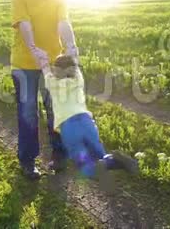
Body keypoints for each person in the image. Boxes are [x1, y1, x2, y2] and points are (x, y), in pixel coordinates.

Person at [10, 0, 79, 179]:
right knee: (28, 111)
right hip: (25, 64)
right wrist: (32, 47)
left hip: (52, 65)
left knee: (56, 109)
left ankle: (59, 155)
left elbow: (63, 23)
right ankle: (28, 161)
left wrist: (70, 45)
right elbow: (24, 24)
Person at [42, 54, 139, 190]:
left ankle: (97, 171)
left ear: (56, 71)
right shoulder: (79, 79)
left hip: (69, 128)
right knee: (101, 155)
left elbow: (45, 69)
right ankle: (116, 160)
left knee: (84, 164)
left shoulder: (52, 83)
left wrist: (45, 62)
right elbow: (74, 62)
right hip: (86, 123)